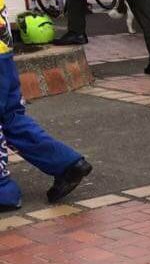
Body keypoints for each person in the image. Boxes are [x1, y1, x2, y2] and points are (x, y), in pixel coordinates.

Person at [0, 14, 92, 209]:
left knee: (9, 117)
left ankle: (2, 190)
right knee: (10, 117)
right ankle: (66, 163)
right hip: (3, 49)